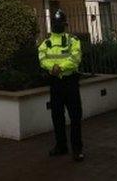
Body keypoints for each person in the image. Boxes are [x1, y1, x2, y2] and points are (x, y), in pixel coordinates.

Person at [38, 9, 84, 162]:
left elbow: (75, 58)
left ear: (64, 25)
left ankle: (77, 149)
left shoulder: (73, 40)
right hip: (55, 83)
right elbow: (42, 58)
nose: (58, 26)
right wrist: (52, 68)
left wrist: (59, 67)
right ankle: (61, 146)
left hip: (70, 82)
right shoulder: (46, 42)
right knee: (57, 116)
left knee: (75, 116)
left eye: (60, 24)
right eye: (56, 24)